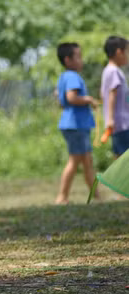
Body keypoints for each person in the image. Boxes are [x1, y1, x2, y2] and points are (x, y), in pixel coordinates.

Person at [55, 42, 99, 204]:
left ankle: (96, 195)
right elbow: (71, 98)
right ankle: (62, 196)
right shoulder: (73, 77)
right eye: (78, 57)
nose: (82, 60)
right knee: (75, 161)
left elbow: (59, 99)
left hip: (73, 124)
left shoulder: (63, 77)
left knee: (87, 161)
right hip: (76, 125)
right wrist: (88, 99)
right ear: (68, 60)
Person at [101, 35, 129, 156]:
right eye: (127, 51)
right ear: (119, 52)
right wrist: (111, 119)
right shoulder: (114, 71)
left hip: (116, 124)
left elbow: (103, 94)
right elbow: (112, 94)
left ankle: (116, 176)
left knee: (119, 157)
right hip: (122, 123)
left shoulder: (107, 70)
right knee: (124, 159)